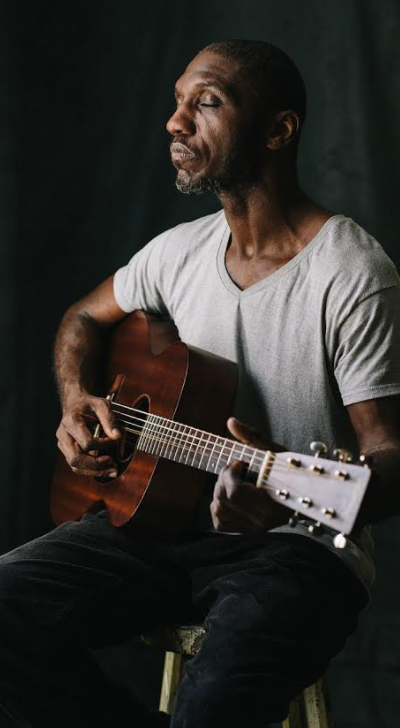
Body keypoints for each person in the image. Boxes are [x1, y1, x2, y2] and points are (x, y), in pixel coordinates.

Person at [1, 39, 400, 728]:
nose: (175, 122)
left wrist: (278, 507)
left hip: (295, 553)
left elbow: (391, 457)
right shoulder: (177, 251)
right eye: (178, 102)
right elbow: (80, 321)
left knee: (214, 706)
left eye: (206, 103)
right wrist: (77, 400)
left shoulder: (353, 274)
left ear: (279, 129)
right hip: (154, 533)